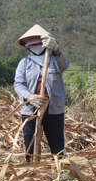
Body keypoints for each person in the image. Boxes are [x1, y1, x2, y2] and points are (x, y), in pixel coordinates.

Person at [14, 24, 69, 161]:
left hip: (53, 108)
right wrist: (30, 96)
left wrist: (56, 48)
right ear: (28, 46)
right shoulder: (24, 63)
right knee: (30, 141)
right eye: (34, 44)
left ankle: (60, 166)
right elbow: (19, 84)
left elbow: (65, 65)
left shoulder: (54, 60)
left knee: (57, 142)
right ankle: (30, 166)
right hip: (31, 108)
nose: (37, 46)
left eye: (40, 43)